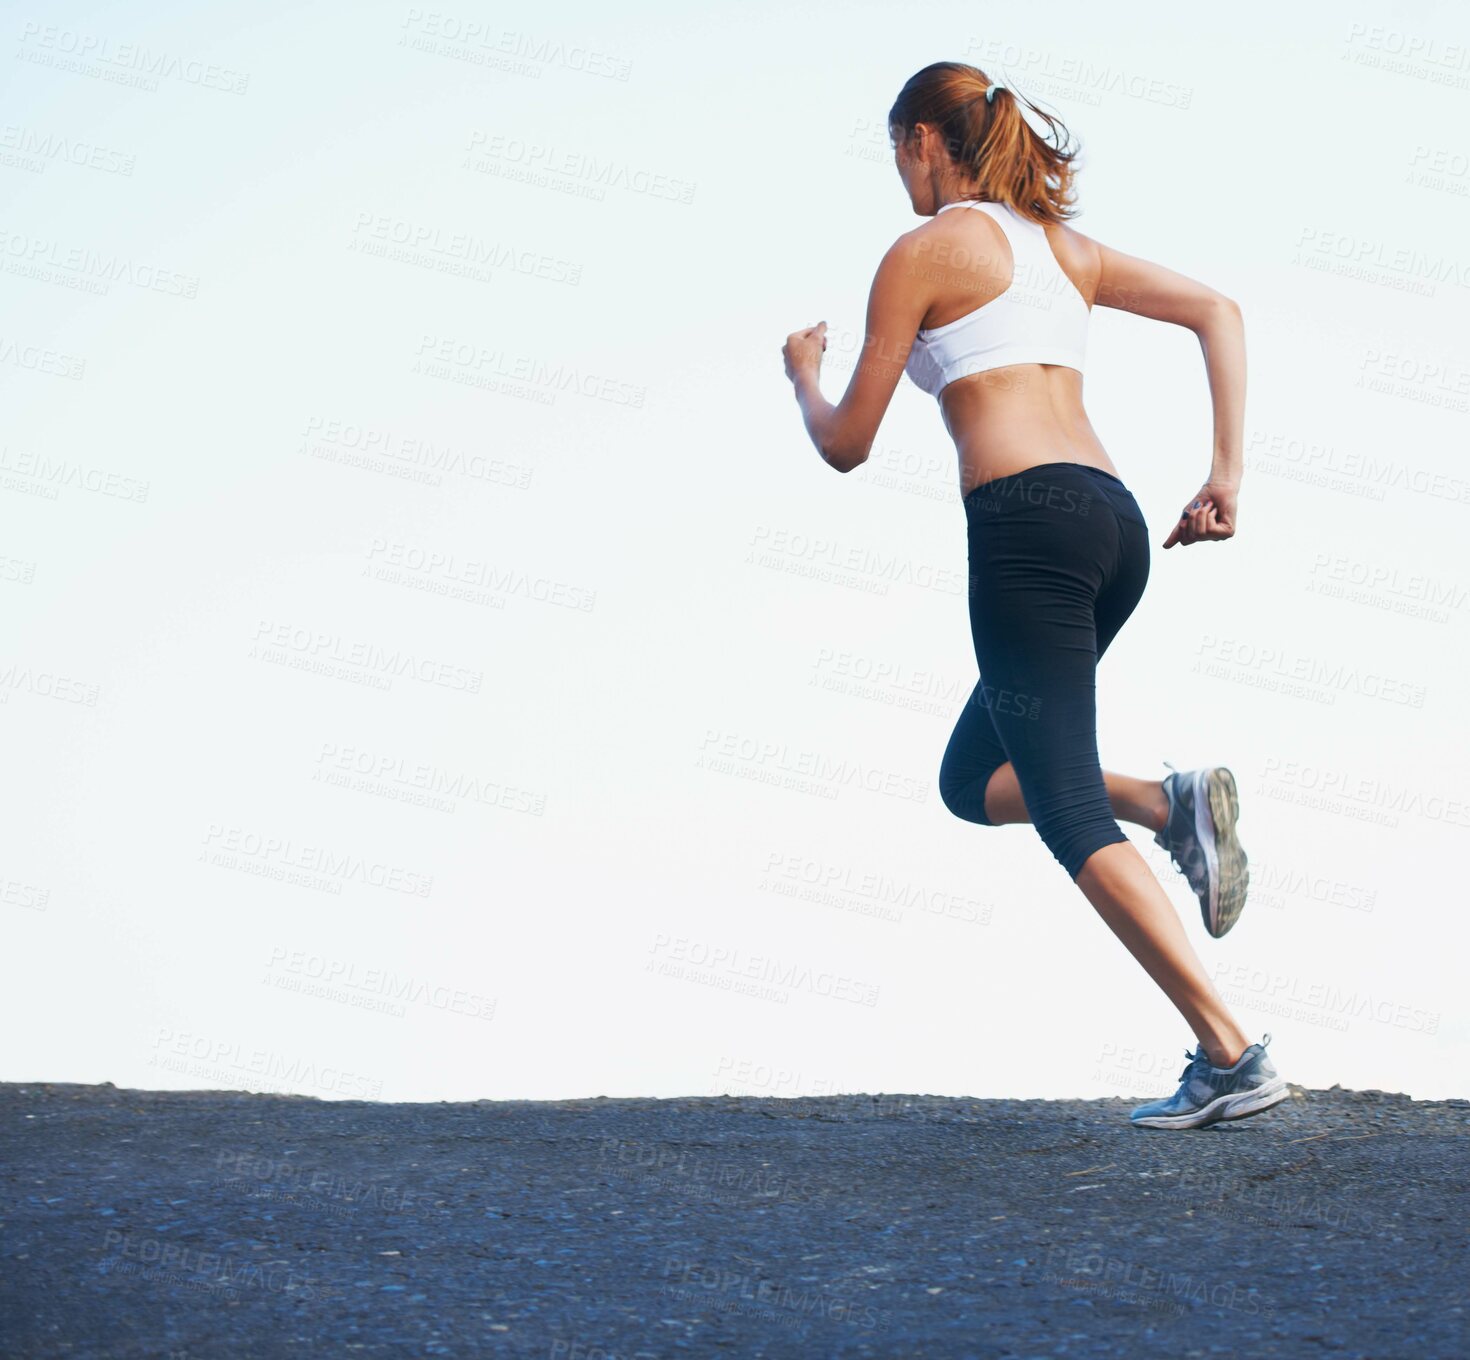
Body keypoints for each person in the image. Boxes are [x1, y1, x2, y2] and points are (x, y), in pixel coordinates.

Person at [780, 61, 1289, 1130]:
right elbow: (1219, 310)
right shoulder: (1064, 250)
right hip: (1112, 524)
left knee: (1059, 806)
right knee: (976, 776)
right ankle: (1168, 802)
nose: (900, 179)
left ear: (924, 140)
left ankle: (1230, 1053)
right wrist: (1224, 479)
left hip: (1026, 529)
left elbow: (847, 444)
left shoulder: (922, 254)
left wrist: (803, 374)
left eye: (899, 156)